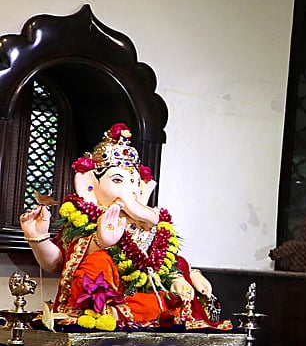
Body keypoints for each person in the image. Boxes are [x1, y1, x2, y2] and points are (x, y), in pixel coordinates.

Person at [19, 122, 227, 329]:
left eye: (134, 182)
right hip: (100, 302)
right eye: (118, 180)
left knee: (171, 301)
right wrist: (38, 239)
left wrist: (183, 277)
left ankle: (123, 314)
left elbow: (166, 264)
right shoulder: (85, 219)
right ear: (90, 186)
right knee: (98, 261)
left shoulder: (152, 226)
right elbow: (59, 263)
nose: (130, 189)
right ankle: (106, 312)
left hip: (145, 299)